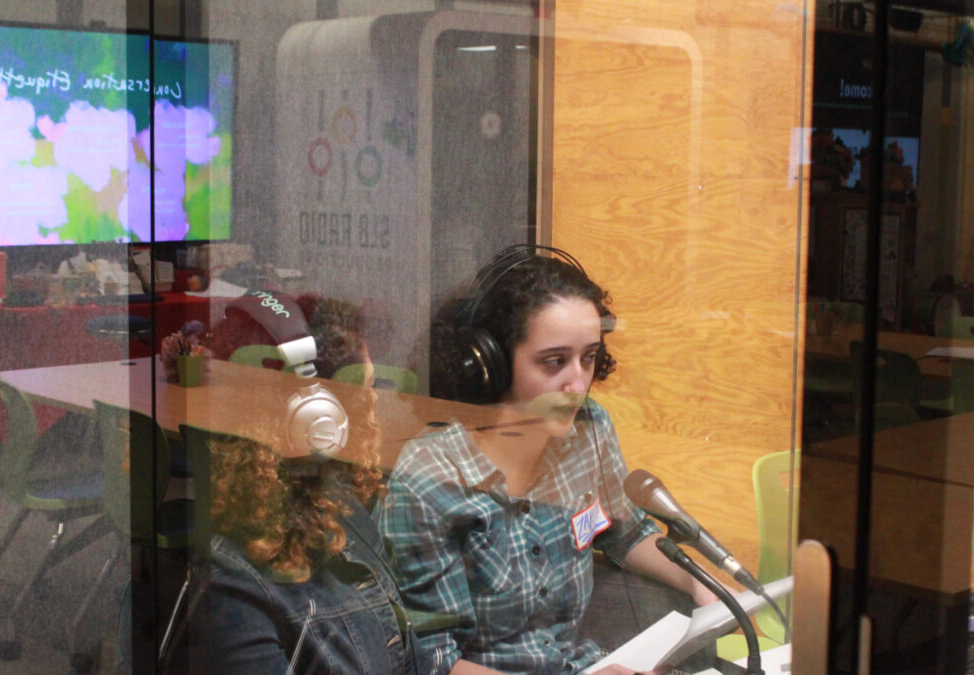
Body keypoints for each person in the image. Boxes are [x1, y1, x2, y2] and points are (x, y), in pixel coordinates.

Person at [377, 246, 720, 675]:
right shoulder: (431, 479)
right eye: (554, 361)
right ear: (494, 364)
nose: (577, 382)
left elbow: (626, 534)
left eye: (589, 357)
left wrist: (701, 585)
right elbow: (430, 661)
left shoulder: (589, 430)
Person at [201, 294, 431, 674]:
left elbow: (412, 662)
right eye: (366, 390)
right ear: (315, 420)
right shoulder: (233, 589)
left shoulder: (341, 514)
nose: (375, 405)